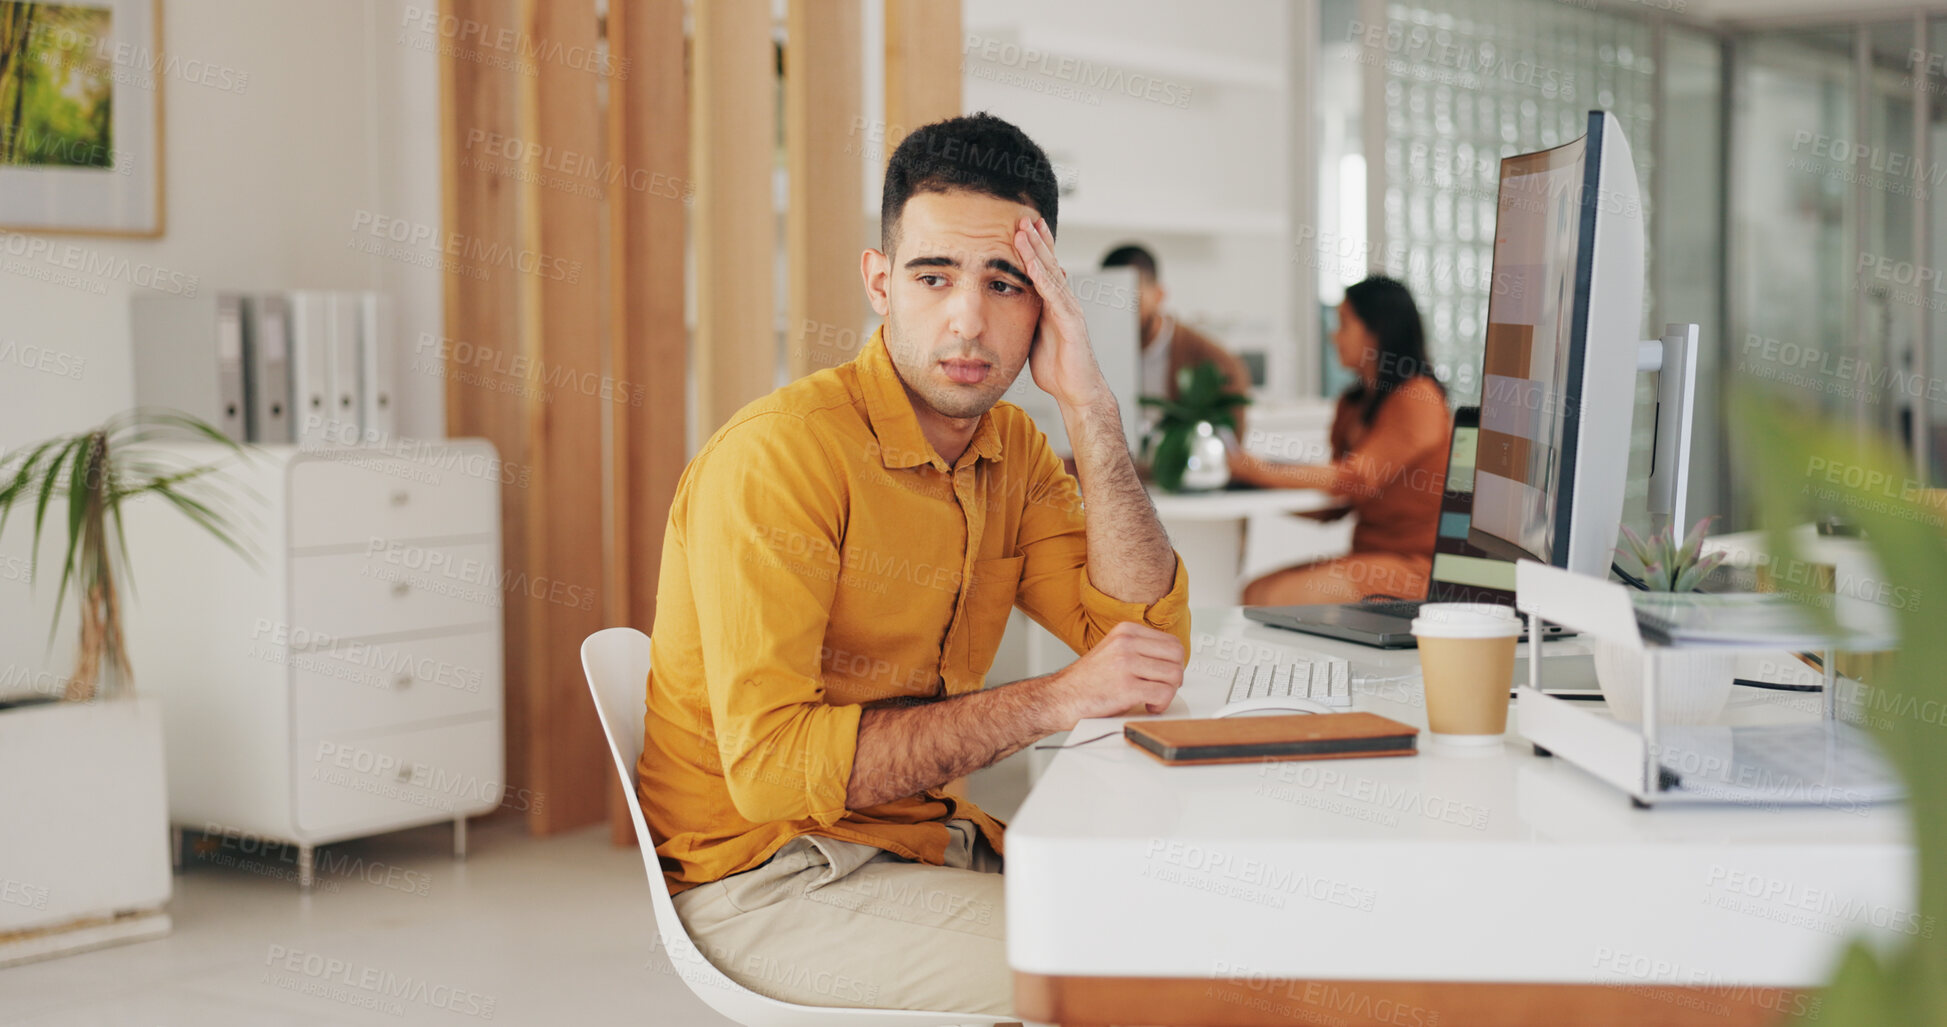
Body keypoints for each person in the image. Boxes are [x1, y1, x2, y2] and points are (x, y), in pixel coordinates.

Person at [637, 113, 1191, 1018]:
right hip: (771, 878)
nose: (967, 318)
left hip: (919, 842)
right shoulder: (781, 457)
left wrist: (1088, 401)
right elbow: (773, 772)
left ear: (1044, 305)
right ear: (880, 282)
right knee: (1130, 980)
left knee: (1209, 933)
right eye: (934, 277)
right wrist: (1052, 698)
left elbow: (1143, 646)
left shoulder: (1011, 446)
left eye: (1005, 283)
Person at [1227, 276, 1451, 605]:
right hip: (1371, 557)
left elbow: (1353, 479)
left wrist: (1261, 472)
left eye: (1344, 324)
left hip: (1419, 565)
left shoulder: (1419, 398)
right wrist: (1253, 490)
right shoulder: (1352, 404)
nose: (1334, 335)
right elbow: (1333, 508)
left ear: (1377, 331)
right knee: (1253, 592)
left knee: (1272, 597)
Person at [1101, 243, 1253, 441]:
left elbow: (1230, 451)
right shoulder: (1101, 354)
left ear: (1159, 295)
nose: (1122, 313)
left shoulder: (1216, 362)